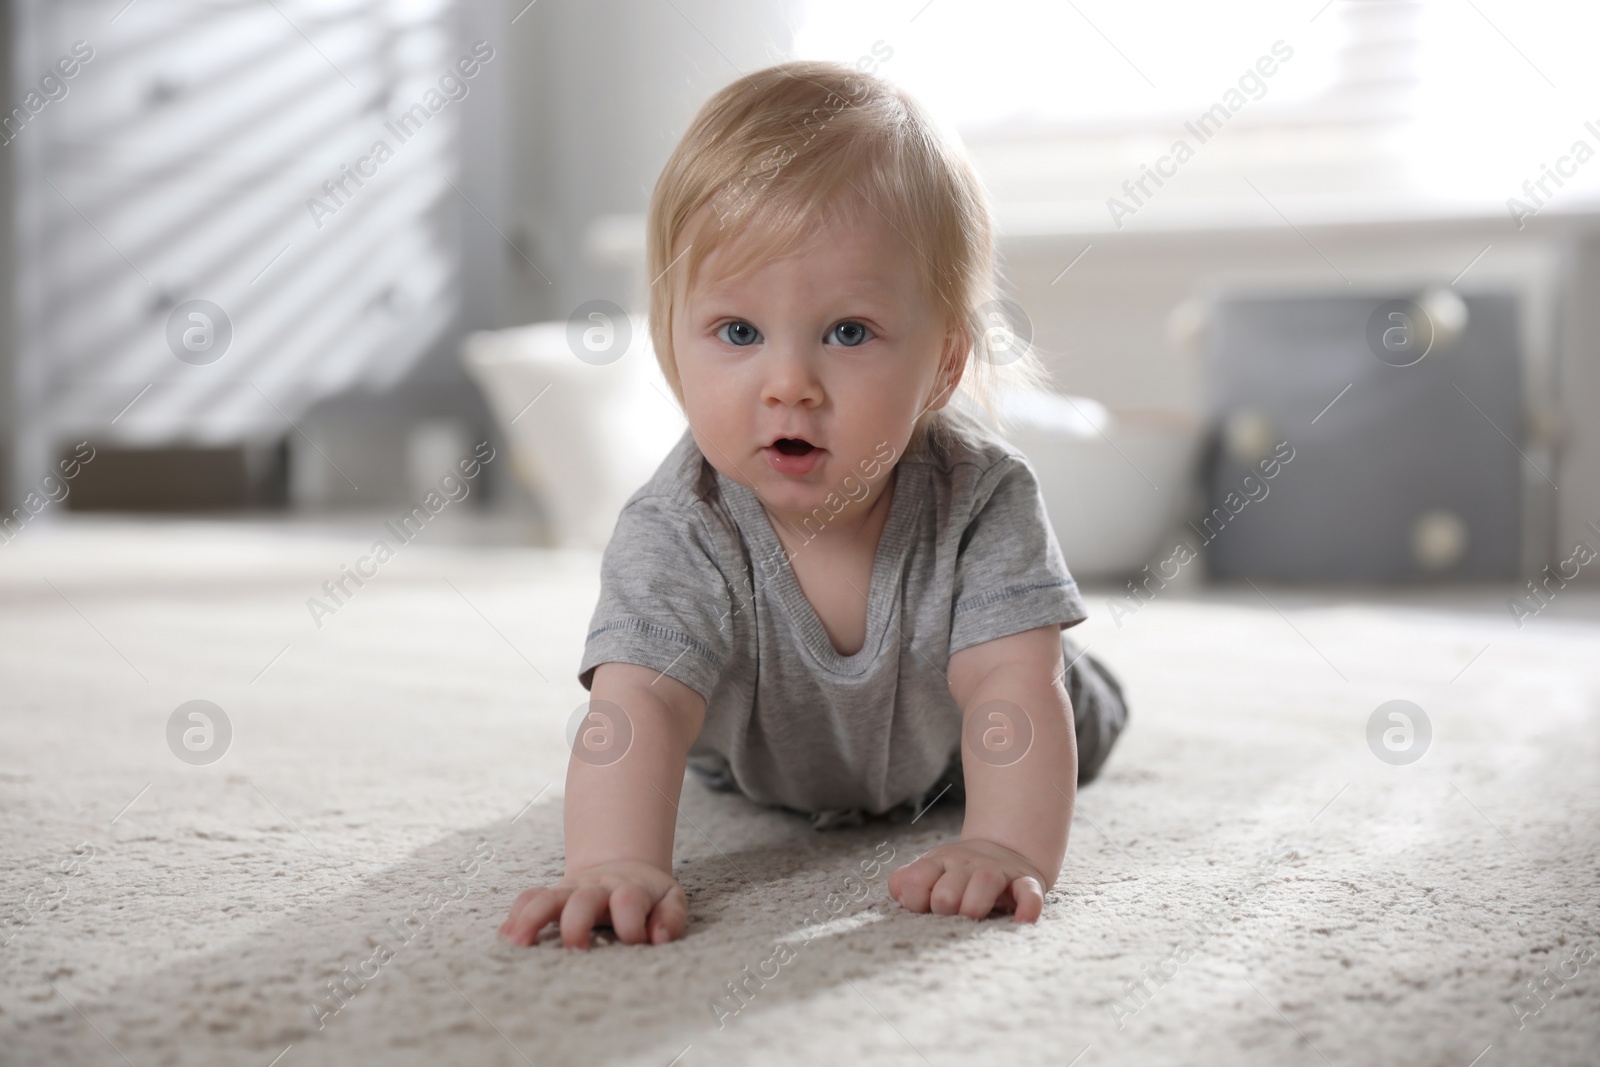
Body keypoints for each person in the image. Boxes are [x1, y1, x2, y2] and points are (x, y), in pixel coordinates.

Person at [499, 59, 1128, 950]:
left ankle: (1076, 665)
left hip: (945, 753)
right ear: (672, 344)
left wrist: (1001, 840)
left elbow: (1007, 685)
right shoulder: (681, 526)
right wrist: (611, 863)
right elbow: (640, 700)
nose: (789, 383)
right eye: (739, 332)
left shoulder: (981, 496)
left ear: (944, 363)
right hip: (760, 768)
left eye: (848, 332)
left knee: (1063, 695)